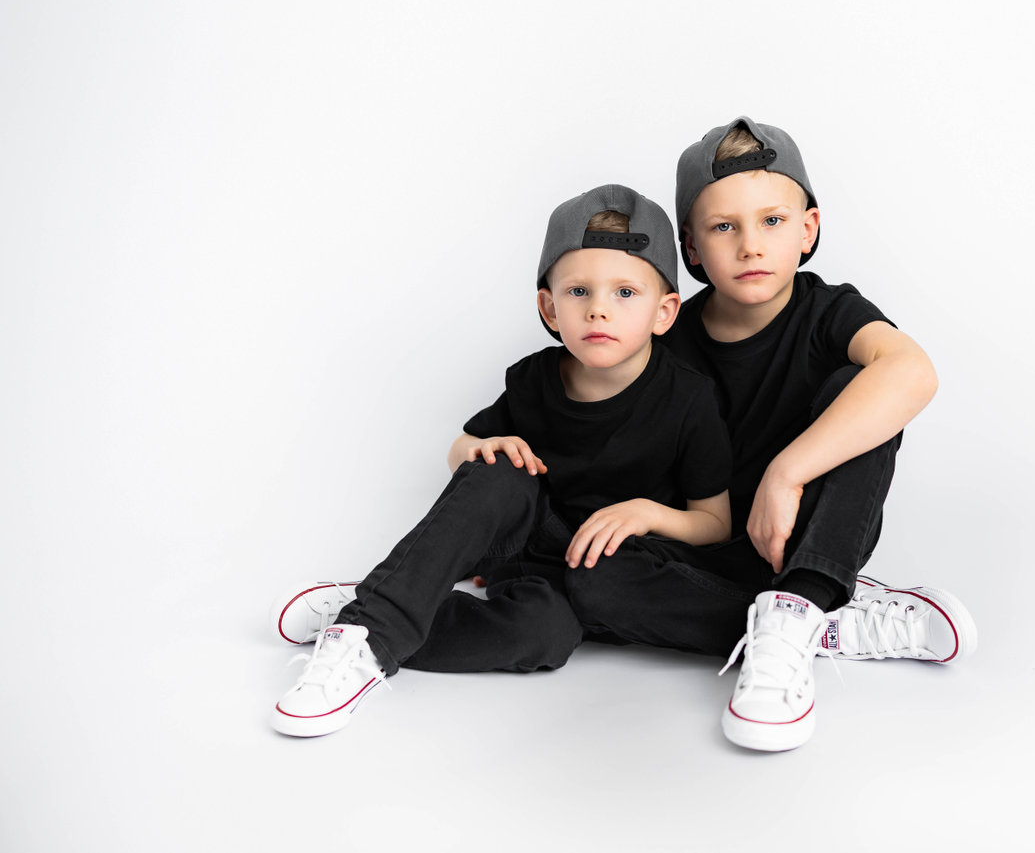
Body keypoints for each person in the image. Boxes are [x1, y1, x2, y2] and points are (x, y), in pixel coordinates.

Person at [564, 117, 978, 752]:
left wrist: (787, 472)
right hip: (702, 548)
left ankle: (798, 607)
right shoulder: (667, 336)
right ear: (693, 252)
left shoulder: (828, 311)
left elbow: (913, 372)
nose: (750, 246)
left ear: (808, 228)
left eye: (772, 221)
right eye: (724, 227)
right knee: (591, 580)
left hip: (801, 536)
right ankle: (825, 622)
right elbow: (603, 442)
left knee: (861, 386)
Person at [268, 184, 733, 737]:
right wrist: (480, 451)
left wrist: (648, 513)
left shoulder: (689, 399)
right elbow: (462, 449)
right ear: (549, 307)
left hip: (604, 576)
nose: (599, 308)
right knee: (500, 469)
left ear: (664, 312)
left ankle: (377, 603)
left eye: (625, 292)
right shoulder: (534, 380)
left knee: (545, 638)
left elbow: (714, 522)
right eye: (578, 290)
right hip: (526, 548)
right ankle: (369, 631)